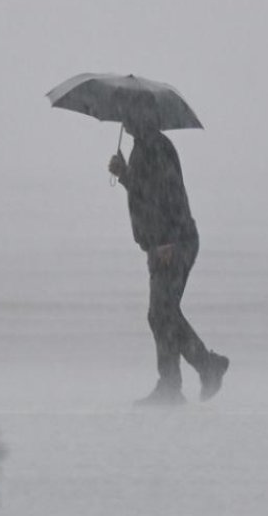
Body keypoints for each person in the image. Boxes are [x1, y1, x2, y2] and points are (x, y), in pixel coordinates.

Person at [108, 114, 229, 405]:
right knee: (161, 314)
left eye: (129, 114)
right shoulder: (143, 146)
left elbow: (171, 195)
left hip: (174, 243)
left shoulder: (157, 147)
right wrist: (124, 174)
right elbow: (146, 193)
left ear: (142, 117)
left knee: (163, 313)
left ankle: (202, 368)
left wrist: (168, 240)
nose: (124, 121)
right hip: (160, 243)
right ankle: (174, 384)